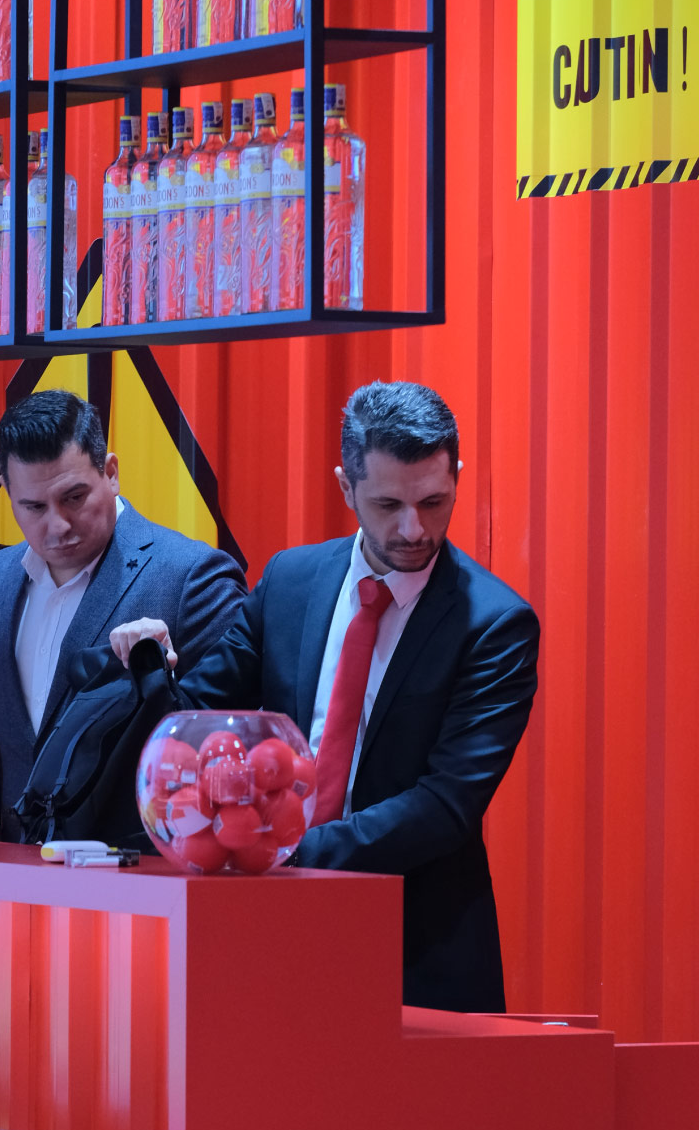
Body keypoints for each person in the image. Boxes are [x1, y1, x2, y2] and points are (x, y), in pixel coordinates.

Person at [110, 380, 540, 1012]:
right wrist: (151, 667)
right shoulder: (290, 580)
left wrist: (279, 849)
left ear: (456, 478)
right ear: (346, 487)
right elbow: (193, 725)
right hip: (266, 934)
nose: (414, 528)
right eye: (388, 503)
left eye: (434, 501)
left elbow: (447, 804)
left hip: (416, 944)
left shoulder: (496, 623)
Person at [0, 389, 247, 843]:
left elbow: (233, 744)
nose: (58, 525)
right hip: (11, 869)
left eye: (74, 497)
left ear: (111, 472)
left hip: (139, 871)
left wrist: (161, 676)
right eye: (34, 507)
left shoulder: (191, 577)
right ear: (7, 492)